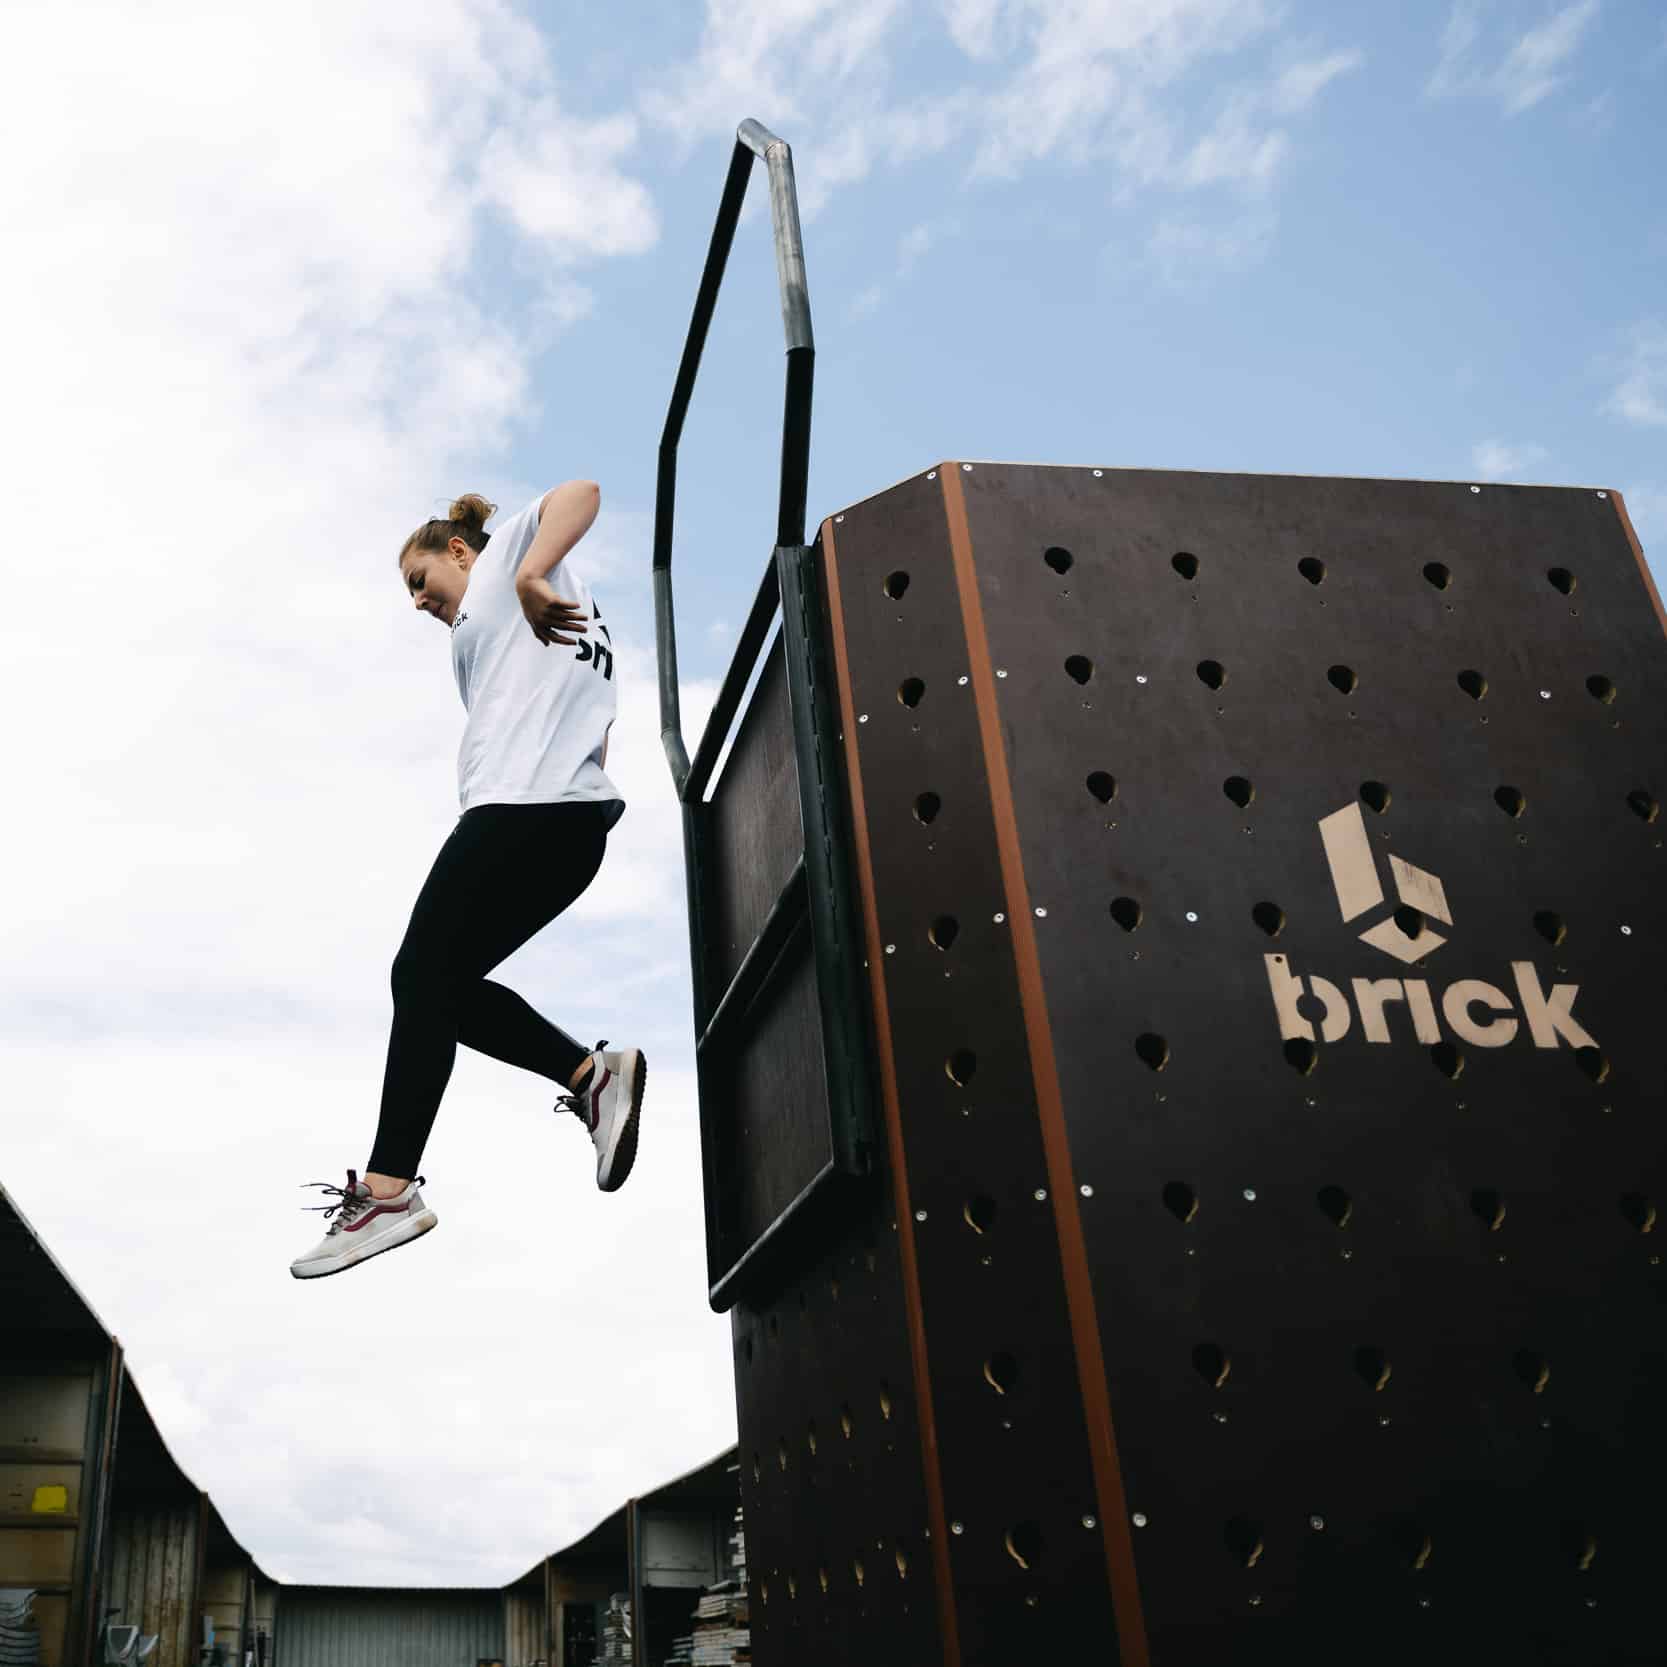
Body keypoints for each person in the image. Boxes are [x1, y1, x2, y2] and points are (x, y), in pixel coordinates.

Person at [291, 484, 644, 1279]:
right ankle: (592, 1078)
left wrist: (529, 571)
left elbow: (584, 490)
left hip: (522, 814)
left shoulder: (510, 565)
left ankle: (387, 1191)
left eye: (420, 580)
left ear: (459, 551)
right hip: (569, 825)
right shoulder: (482, 637)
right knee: (439, 988)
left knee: (418, 974)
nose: (417, 601)